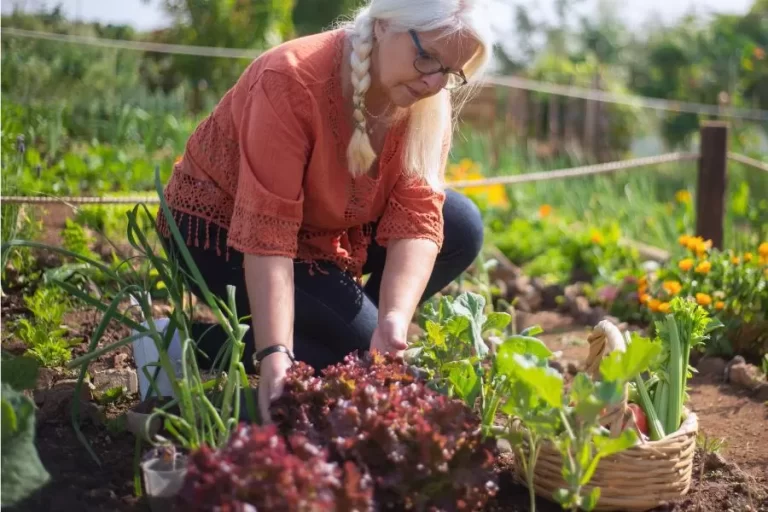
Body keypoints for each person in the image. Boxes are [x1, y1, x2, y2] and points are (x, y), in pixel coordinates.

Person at [156, 0, 493, 422]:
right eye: (426, 58)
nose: (432, 82)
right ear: (386, 25)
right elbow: (268, 235)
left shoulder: (426, 101)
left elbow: (417, 214)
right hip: (219, 232)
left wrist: (392, 318)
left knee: (460, 224)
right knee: (351, 352)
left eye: (449, 72)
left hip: (317, 231)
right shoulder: (291, 78)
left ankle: (338, 338)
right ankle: (181, 341)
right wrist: (275, 353)